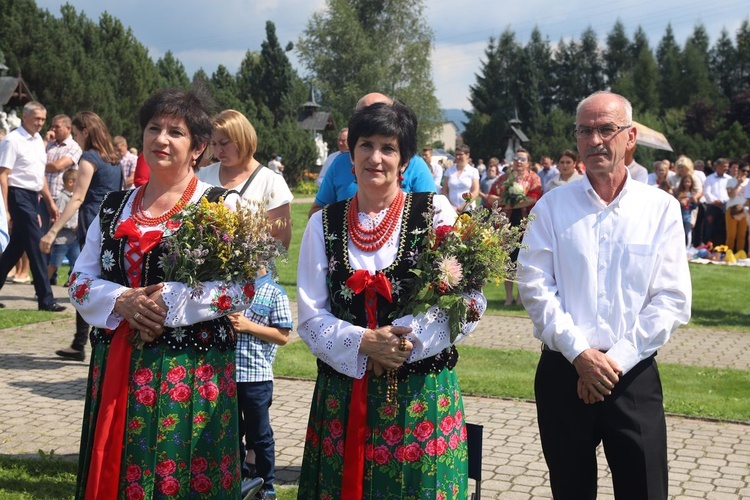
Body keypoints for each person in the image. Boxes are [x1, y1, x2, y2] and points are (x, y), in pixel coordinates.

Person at [67, 87, 251, 498]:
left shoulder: (221, 205)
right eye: (154, 128)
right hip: (118, 365)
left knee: (180, 477)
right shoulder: (114, 206)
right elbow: (79, 280)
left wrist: (170, 301)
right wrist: (121, 300)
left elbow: (244, 288)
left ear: (198, 147)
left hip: (191, 371)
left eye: (176, 132)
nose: (161, 139)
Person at [297, 100, 485, 498]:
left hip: (420, 395)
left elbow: (469, 300)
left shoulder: (435, 212)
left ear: (405, 161)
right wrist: (364, 342)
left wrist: (402, 344)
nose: (375, 158)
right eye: (365, 145)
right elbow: (311, 316)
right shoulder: (323, 223)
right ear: (351, 155)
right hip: (343, 400)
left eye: (389, 148)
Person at [517, 91, 691, 500]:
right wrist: (580, 355)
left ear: (629, 138)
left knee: (645, 490)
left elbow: (671, 298)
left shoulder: (660, 209)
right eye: (585, 130)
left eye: (606, 129)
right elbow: (535, 287)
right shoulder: (551, 207)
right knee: (570, 490)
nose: (595, 139)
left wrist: (612, 362)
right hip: (564, 372)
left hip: (632, 376)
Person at [41, 111, 124, 361]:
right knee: (104, 283)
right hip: (113, 224)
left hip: (92, 225)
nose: (76, 138)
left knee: (86, 283)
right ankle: (90, 342)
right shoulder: (115, 159)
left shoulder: (89, 158)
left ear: (85, 132)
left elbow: (77, 197)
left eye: (76, 133)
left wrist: (53, 230)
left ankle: (83, 343)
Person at [308, 92, 436, 217]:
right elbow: (317, 213)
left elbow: (430, 213)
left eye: (388, 148)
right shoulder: (339, 164)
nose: (375, 159)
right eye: (362, 116)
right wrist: (351, 225)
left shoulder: (416, 166)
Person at [228, 268, 292, 500]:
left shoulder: (274, 292)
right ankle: (240, 479)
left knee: (260, 435)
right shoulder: (229, 287)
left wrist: (248, 326)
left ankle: (266, 485)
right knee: (233, 432)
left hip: (256, 377)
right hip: (227, 376)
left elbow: (283, 336)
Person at [0, 101, 64, 312]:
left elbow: (39, 176)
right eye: (37, 118)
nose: (40, 123)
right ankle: (45, 299)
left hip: (32, 196)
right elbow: (3, 175)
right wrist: (6, 209)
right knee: (36, 246)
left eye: (43, 119)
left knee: (15, 248)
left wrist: (49, 202)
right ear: (24, 116)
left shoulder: (38, 141)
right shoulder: (12, 140)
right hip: (17, 195)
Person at [197, 109, 293, 249]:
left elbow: (282, 241)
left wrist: (246, 259)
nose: (218, 151)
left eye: (224, 143)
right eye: (214, 144)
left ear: (243, 140)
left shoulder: (271, 181)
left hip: (254, 270)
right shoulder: (202, 176)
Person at [486, 148, 542, 305]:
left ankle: (520, 296)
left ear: (528, 163)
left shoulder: (533, 179)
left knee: (523, 261)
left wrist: (511, 202)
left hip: (527, 226)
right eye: (517, 158)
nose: (519, 161)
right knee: (507, 261)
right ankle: (509, 295)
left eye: (523, 159)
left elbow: (532, 199)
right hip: (506, 225)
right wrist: (509, 201)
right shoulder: (504, 178)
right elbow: (490, 198)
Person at [44, 114, 82, 236]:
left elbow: (57, 166)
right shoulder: (49, 144)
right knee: (39, 235)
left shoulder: (74, 146)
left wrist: (39, 164)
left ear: (68, 128)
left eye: (57, 126)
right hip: (45, 196)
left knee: (60, 239)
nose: (53, 129)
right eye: (52, 126)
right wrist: (45, 141)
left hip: (61, 198)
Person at [46, 169, 80, 285]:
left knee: (76, 263)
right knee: (54, 264)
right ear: (70, 182)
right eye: (78, 182)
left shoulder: (74, 198)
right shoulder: (62, 198)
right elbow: (58, 218)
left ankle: (75, 286)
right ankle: (42, 286)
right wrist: (72, 225)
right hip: (61, 239)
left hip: (73, 239)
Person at [442, 144, 480, 212]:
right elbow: (444, 190)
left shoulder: (473, 171)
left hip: (468, 209)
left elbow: (475, 191)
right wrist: (451, 206)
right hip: (451, 209)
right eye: (456, 154)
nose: (457, 157)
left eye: (460, 154)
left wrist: (463, 207)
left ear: (467, 155)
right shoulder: (449, 171)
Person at [702, 158, 730, 245]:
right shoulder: (709, 178)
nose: (726, 168)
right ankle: (708, 247)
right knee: (710, 228)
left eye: (727, 167)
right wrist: (715, 201)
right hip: (712, 207)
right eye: (724, 166)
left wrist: (722, 201)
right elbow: (706, 192)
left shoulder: (730, 179)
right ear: (717, 166)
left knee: (722, 228)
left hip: (725, 206)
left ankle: (720, 246)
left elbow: (731, 193)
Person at [725, 162, 748, 253]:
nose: (745, 173)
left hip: (744, 210)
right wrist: (738, 183)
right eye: (743, 170)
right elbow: (730, 195)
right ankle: (728, 254)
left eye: (747, 171)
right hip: (732, 209)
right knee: (731, 234)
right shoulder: (731, 181)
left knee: (742, 235)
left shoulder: (749, 182)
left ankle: (740, 254)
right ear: (738, 170)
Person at [675, 174, 699, 246]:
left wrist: (694, 201)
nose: (687, 184)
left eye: (689, 182)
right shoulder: (678, 193)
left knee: (687, 233)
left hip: (688, 217)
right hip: (679, 216)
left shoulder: (692, 194)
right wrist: (681, 202)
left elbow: (694, 207)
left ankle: (686, 248)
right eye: (685, 182)